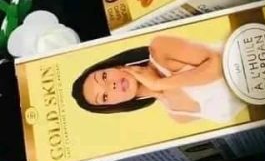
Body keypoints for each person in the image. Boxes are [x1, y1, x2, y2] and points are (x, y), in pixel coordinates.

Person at [71, 35, 245, 124]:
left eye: (103, 76)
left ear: (114, 66)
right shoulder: (178, 115)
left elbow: (219, 64)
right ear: (114, 105)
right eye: (105, 97)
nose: (112, 85)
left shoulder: (160, 49)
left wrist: (159, 83)